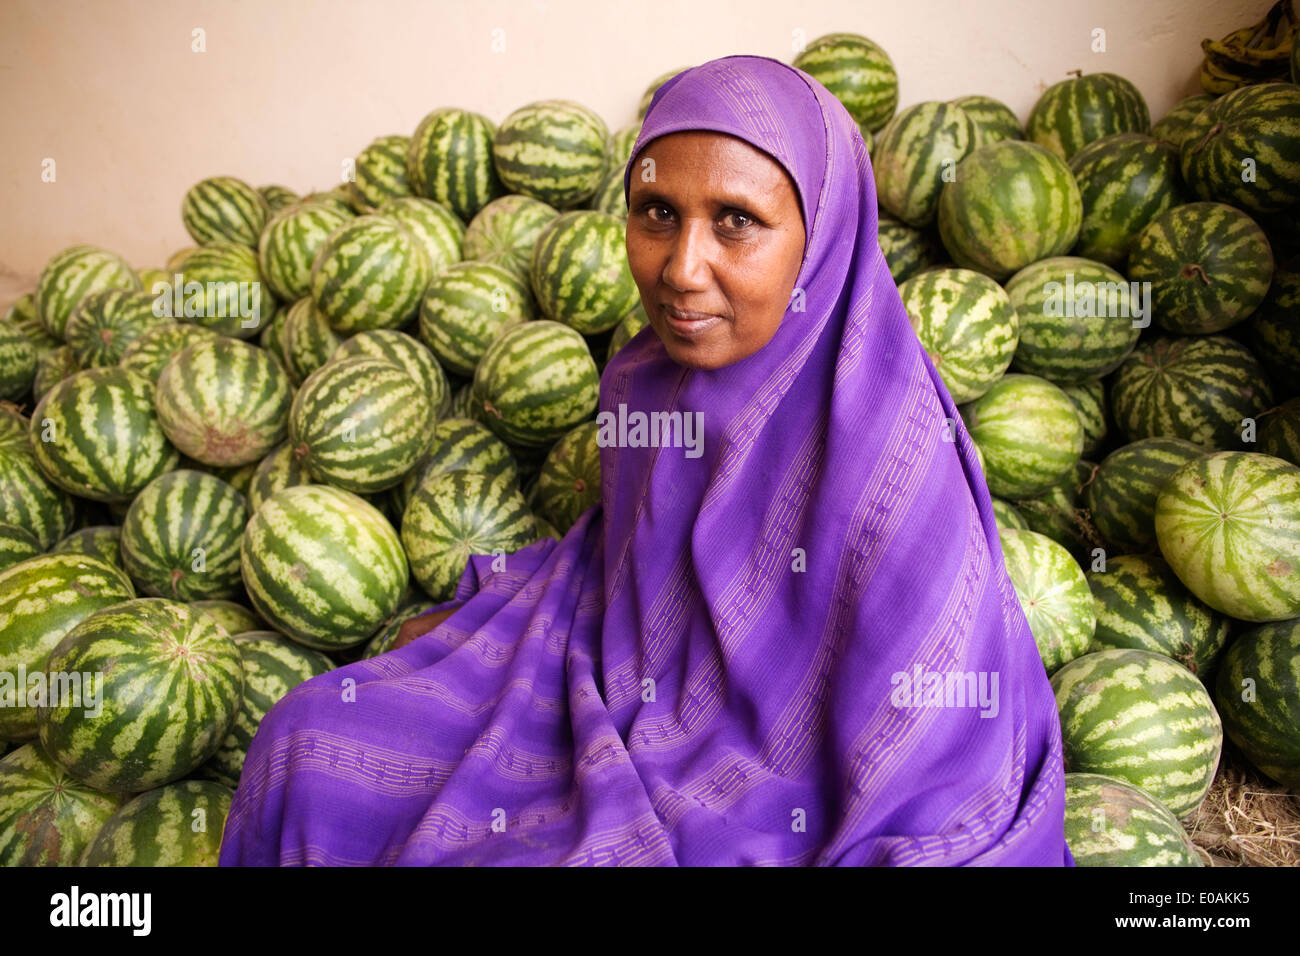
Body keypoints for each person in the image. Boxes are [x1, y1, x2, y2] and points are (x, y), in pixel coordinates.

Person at [219, 54, 1074, 866]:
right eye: (658, 213)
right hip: (621, 691)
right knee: (308, 738)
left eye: (737, 222)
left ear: (824, 235)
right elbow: (632, 566)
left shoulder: (895, 466)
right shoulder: (647, 381)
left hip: (765, 796)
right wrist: (508, 617)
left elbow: (937, 774)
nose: (680, 268)